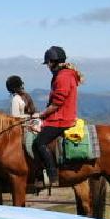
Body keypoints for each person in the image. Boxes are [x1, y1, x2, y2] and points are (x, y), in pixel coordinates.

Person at [31, 46, 82, 185]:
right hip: (61, 115)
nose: (47, 66)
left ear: (53, 61)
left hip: (61, 119)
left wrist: (41, 114)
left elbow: (57, 103)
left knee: (39, 143)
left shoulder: (62, 77)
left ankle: (52, 175)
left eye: (47, 63)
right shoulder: (65, 74)